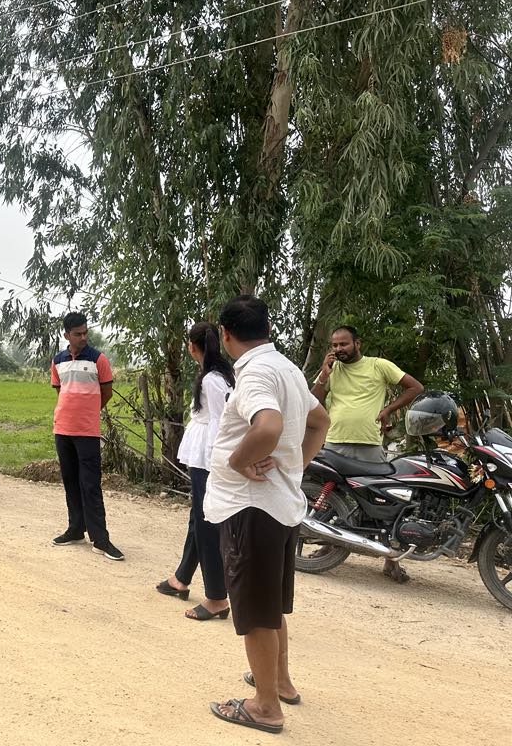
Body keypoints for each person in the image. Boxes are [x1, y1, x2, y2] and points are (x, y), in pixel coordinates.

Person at [205, 295, 330, 735]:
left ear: (225, 334)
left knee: (255, 610)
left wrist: (239, 462)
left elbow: (269, 426)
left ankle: (265, 707)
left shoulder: (256, 372)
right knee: (270, 603)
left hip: (249, 507)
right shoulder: (288, 369)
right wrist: (295, 467)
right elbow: (321, 421)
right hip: (278, 504)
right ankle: (279, 683)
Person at [311, 324, 423, 581]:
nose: (338, 349)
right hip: (335, 441)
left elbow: (415, 387)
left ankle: (390, 560)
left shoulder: (378, 365)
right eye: (335, 345)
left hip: (369, 443)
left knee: (383, 500)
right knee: (333, 496)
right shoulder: (332, 370)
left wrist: (388, 410)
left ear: (357, 343)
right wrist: (323, 376)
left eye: (344, 344)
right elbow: (314, 401)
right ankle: (329, 545)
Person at [156, 322, 234, 621]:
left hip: (208, 456)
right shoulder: (220, 374)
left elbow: (219, 422)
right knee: (197, 517)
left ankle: (217, 597)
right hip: (205, 454)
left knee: (206, 523)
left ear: (192, 346)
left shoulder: (212, 380)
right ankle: (181, 578)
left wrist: (218, 460)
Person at [50, 311, 123, 561]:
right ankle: (75, 529)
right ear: (66, 335)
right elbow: (61, 390)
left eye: (85, 332)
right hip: (62, 429)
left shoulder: (98, 360)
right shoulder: (57, 360)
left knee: (90, 485)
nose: (83, 337)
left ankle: (100, 539)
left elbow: (107, 392)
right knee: (70, 481)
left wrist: (89, 412)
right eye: (77, 334)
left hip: (87, 432)